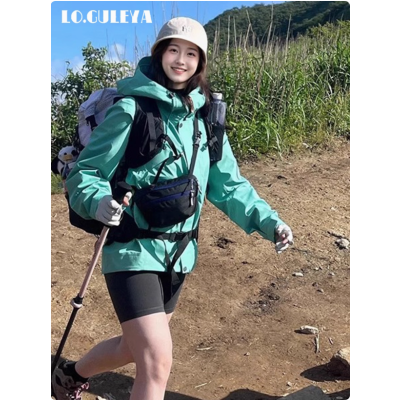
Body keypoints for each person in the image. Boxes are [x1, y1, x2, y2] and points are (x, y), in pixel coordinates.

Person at [51, 16, 294, 400]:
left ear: (201, 62)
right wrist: (98, 201)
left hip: (179, 254)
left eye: (191, 54)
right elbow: (87, 172)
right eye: (174, 50)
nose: (181, 60)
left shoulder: (206, 120)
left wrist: (270, 222)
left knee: (133, 348)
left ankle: (68, 374)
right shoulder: (131, 109)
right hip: (132, 250)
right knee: (156, 362)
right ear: (160, 53)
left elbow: (228, 185)